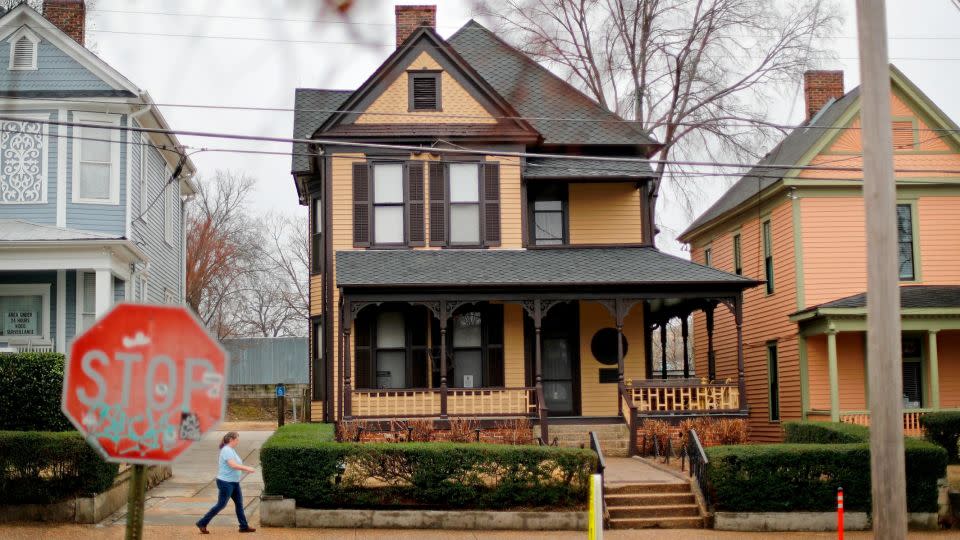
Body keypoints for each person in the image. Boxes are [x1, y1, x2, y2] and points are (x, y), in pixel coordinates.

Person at [196, 432, 257, 534]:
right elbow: (232, 465)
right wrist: (247, 468)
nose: (238, 441)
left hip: (234, 482)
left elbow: (235, 465)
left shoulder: (231, 450)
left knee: (239, 504)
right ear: (231, 440)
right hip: (225, 483)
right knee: (221, 505)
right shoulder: (226, 450)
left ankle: (243, 526)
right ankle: (202, 522)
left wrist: (244, 470)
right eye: (237, 439)